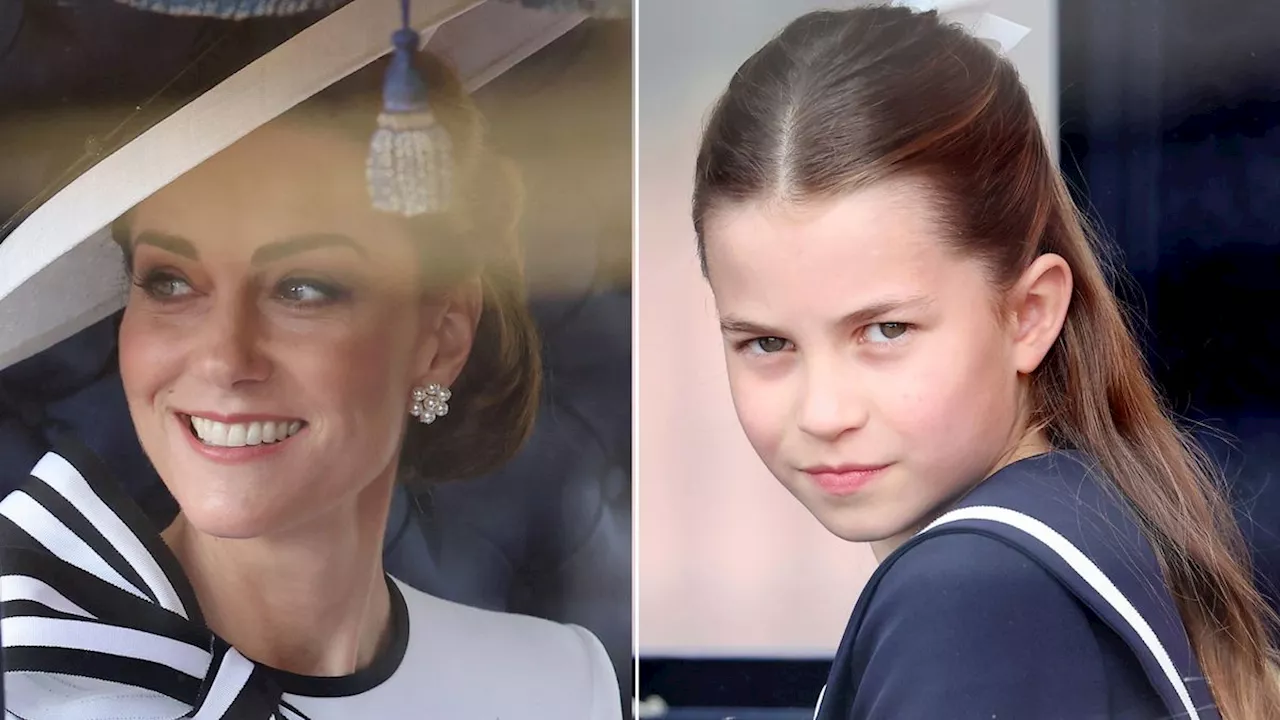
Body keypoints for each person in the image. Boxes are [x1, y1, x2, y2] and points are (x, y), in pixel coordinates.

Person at [691, 6, 1280, 719]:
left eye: (885, 330)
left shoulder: (969, 595)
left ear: (1029, 314)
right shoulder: (1092, 523)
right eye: (768, 344)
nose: (824, 412)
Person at [0, 46, 621, 719]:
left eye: (302, 288)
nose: (224, 358)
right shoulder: (24, 676)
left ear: (439, 338)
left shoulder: (558, 686)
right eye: (171, 282)